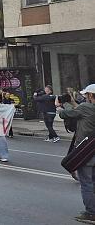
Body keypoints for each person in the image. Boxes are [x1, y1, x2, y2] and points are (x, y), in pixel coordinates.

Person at [58, 84, 95, 223]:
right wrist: (73, 102)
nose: (85, 97)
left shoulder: (85, 108)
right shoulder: (86, 108)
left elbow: (65, 114)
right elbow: (79, 110)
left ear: (90, 96)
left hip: (86, 151)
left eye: (86, 95)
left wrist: (60, 105)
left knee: (86, 183)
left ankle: (91, 213)